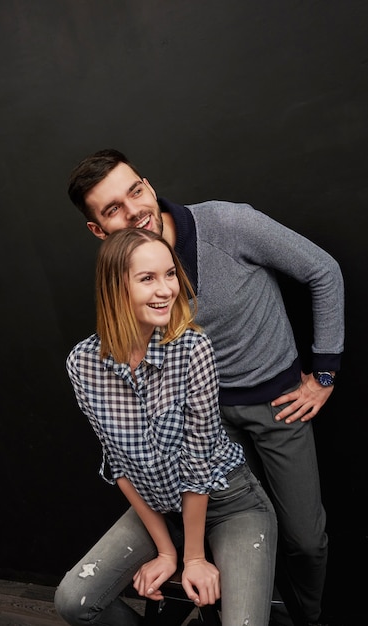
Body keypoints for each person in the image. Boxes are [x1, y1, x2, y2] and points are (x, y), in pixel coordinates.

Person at [65, 149, 345, 626]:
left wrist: (323, 375)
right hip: (205, 418)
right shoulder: (124, 286)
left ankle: (306, 617)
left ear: (149, 186)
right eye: (113, 208)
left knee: (305, 538)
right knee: (231, 535)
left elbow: (323, 271)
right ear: (98, 229)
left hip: (276, 403)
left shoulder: (229, 224)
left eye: (135, 191)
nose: (134, 210)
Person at [55, 228, 277, 626]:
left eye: (170, 274)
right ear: (114, 289)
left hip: (230, 504)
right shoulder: (83, 364)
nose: (166, 290)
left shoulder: (194, 349)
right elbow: (117, 464)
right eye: (147, 278)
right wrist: (165, 549)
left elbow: (198, 464)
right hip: (158, 508)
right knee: (74, 600)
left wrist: (192, 556)